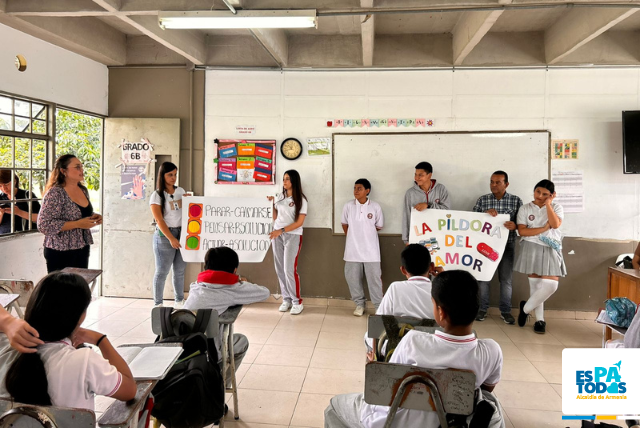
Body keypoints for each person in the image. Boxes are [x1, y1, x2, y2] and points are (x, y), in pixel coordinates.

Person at [325, 270, 504, 428]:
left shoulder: (414, 341)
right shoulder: (491, 351)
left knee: (334, 407)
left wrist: (376, 368)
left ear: (440, 312)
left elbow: (389, 385)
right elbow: (486, 390)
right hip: (451, 422)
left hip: (400, 421)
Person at [2, 272, 136, 410]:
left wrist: (7, 322)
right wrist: (101, 340)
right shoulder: (85, 361)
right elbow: (130, 390)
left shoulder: (5, 352)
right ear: (80, 317)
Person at [184, 246, 270, 380]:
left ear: (206, 266)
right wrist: (239, 281)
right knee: (242, 341)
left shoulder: (195, 285)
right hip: (208, 352)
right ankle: (220, 385)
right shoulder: (233, 288)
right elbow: (265, 293)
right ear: (234, 270)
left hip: (182, 349)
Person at [514, 179, 566, 334]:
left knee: (550, 285)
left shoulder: (556, 207)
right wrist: (543, 228)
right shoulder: (525, 208)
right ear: (534, 190)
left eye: (545, 194)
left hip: (550, 247)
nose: (540, 196)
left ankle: (525, 308)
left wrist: (548, 204)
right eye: (538, 192)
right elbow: (522, 231)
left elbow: (555, 224)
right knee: (536, 286)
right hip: (530, 247)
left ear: (551, 195)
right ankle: (540, 320)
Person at [364, 244, 435, 357]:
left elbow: (378, 323)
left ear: (403, 270)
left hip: (397, 349)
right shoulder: (440, 290)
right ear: (431, 267)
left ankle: (377, 361)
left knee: (368, 336)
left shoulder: (395, 287)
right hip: (430, 348)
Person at [472, 171, 523, 324]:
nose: (493, 185)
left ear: (506, 184)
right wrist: (484, 215)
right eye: (492, 182)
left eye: (498, 182)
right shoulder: (483, 200)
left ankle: (506, 311)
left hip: (507, 246)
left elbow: (522, 225)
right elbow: (472, 222)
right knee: (483, 278)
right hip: (485, 247)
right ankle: (482, 309)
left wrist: (515, 226)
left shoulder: (516, 201)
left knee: (506, 279)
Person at [38, 155, 102, 273]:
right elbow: (44, 224)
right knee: (62, 290)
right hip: (60, 250)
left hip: (82, 247)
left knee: (79, 287)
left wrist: (94, 216)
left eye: (82, 167)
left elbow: (77, 213)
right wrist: (77, 224)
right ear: (63, 171)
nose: (81, 170)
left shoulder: (82, 190)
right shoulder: (55, 193)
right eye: (77, 167)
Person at [342, 178, 384, 316]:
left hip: (371, 251)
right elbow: (344, 224)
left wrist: (365, 236)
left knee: (374, 280)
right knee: (352, 278)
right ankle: (359, 305)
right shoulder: (348, 206)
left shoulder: (375, 207)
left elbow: (378, 226)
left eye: (359, 188)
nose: (356, 191)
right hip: (352, 251)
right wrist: (353, 237)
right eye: (354, 188)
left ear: (367, 191)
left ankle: (379, 307)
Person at [268, 170, 307, 315]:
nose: (284, 182)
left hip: (292, 235)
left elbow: (299, 222)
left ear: (294, 181)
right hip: (277, 236)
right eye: (283, 179)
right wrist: (271, 204)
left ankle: (297, 301)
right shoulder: (280, 197)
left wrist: (282, 230)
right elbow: (276, 217)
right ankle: (287, 299)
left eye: (287, 179)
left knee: (288, 269)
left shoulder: (301, 200)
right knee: (279, 268)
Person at [150, 162, 188, 308]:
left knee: (179, 270)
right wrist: (171, 238)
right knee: (162, 271)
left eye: (175, 174)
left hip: (182, 232)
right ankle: (158, 304)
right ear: (163, 175)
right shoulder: (157, 195)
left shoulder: (180, 191)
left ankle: (179, 301)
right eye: (170, 175)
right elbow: (159, 219)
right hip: (165, 235)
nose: (173, 178)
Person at [402, 161, 450, 244]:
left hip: (439, 234)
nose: (416, 178)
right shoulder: (410, 193)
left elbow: (447, 210)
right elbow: (407, 215)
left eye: (420, 175)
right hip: (418, 236)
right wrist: (406, 239)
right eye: (415, 174)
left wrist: (428, 205)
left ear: (429, 175)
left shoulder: (441, 189)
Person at [0, 169, 40, 234]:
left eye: (6, 184)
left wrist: (19, 212)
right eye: (0, 186)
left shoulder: (27, 195)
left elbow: (41, 217)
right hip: (5, 238)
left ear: (14, 181)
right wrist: (1, 214)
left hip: (27, 236)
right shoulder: (0, 198)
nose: (4, 189)